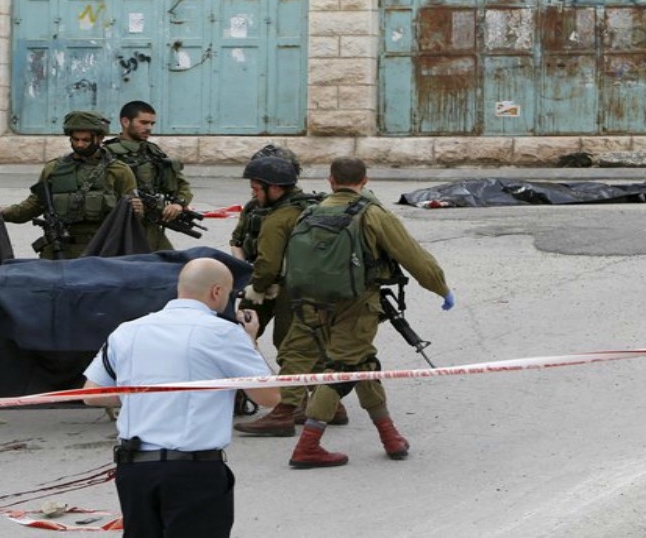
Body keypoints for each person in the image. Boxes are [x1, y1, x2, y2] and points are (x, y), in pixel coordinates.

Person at [82, 257, 280, 538]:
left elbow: (92, 394)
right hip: (193, 470)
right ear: (217, 292)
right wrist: (250, 341)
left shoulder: (126, 331)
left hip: (134, 470)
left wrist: (147, 396)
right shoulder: (224, 333)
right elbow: (269, 396)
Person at [285, 157, 455, 469]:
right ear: (365, 180)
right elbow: (413, 257)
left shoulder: (310, 211)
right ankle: (308, 445)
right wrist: (442, 288)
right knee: (341, 369)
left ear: (330, 181)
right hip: (357, 305)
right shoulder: (372, 213)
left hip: (312, 305)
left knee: (364, 363)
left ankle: (389, 436)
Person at [230, 149, 342, 437]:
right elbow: (239, 240)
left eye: (257, 188)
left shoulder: (280, 217)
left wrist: (256, 287)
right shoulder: (302, 206)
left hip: (282, 290)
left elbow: (268, 263)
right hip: (297, 287)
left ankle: (292, 408)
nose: (253, 193)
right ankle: (328, 404)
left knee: (289, 346)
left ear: (275, 188)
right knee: (304, 344)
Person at [0, 110, 139, 259]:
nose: (80, 144)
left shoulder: (119, 171)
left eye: (86, 140)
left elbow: (132, 214)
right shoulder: (53, 169)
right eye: (75, 139)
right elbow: (34, 205)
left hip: (101, 249)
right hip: (59, 249)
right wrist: (4, 212)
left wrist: (138, 209)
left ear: (99, 138)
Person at [103, 100, 193, 250]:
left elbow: (181, 183)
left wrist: (178, 203)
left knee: (169, 265)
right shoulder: (108, 153)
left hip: (150, 226)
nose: (149, 128)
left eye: (152, 124)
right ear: (125, 122)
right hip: (119, 226)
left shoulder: (153, 151)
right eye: (143, 123)